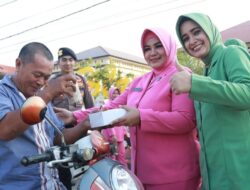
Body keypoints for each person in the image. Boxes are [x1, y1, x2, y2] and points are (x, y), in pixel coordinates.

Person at [56, 28, 201, 190]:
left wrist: (141, 117)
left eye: (158, 46)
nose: (152, 53)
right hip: (142, 173)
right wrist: (75, 116)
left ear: (169, 46)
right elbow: (111, 106)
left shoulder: (182, 76)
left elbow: (186, 120)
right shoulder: (140, 81)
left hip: (175, 174)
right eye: (147, 49)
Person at [169, 12, 250, 190]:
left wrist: (194, 83)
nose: (192, 41)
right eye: (186, 38)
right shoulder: (206, 71)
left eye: (197, 32)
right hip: (216, 178)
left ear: (209, 30)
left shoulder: (231, 54)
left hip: (241, 174)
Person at [0, 42, 90, 190]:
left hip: (53, 185)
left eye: (47, 77)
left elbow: (56, 138)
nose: (41, 82)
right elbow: (4, 129)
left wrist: (84, 125)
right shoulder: (4, 92)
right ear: (18, 64)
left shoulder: (40, 98)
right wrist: (47, 94)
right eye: (37, 75)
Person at [51, 47, 94, 190]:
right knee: (63, 166)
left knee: (84, 163)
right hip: (59, 130)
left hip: (79, 127)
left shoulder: (81, 80)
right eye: (64, 60)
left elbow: (90, 105)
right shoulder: (52, 81)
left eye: (70, 60)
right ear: (59, 62)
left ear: (74, 62)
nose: (67, 63)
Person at [101, 87, 127, 166]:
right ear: (110, 94)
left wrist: (125, 132)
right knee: (112, 157)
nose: (116, 95)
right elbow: (107, 121)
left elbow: (122, 120)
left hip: (120, 137)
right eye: (114, 93)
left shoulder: (120, 106)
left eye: (117, 93)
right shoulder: (107, 105)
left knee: (122, 156)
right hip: (111, 137)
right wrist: (112, 135)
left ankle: (123, 175)